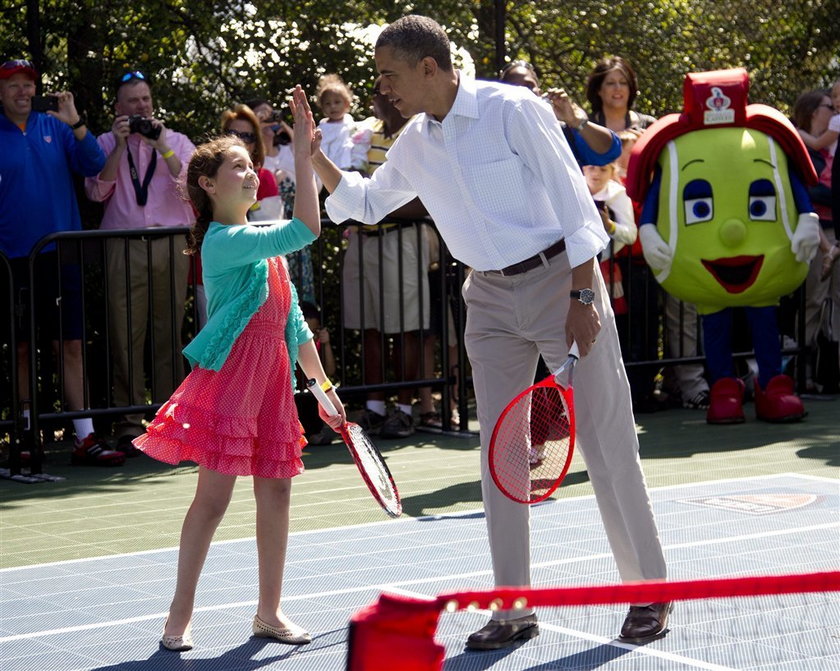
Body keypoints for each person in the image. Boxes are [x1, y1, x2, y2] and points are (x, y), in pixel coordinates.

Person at [311, 15, 669, 649]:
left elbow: (572, 202)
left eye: (389, 75)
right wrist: (313, 158)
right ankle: (513, 608)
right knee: (500, 456)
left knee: (608, 444)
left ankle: (646, 593)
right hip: (488, 300)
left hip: (563, 282)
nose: (381, 88)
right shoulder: (416, 141)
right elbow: (365, 204)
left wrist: (583, 294)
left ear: (429, 68)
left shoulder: (515, 109)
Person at [132, 87, 343, 651]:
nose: (251, 174)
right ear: (207, 184)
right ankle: (178, 616)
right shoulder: (225, 242)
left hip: (272, 381)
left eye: (253, 166)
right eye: (238, 167)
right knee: (213, 501)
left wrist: (321, 386)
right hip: (230, 380)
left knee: (276, 496)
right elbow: (307, 230)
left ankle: (269, 613)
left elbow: (293, 323)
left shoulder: (264, 249)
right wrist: (301, 159)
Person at [0, 59, 123, 466]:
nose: (22, 92)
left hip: (61, 254)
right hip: (12, 259)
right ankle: (23, 433)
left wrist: (75, 122)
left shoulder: (56, 126)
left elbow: (92, 165)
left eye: (27, 85)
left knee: (70, 345)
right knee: (20, 349)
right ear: (1, 92)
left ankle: (85, 437)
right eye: (13, 85)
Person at [84, 71, 196, 452]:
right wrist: (117, 147)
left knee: (169, 333)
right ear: (118, 108)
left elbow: (192, 189)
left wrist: (162, 145)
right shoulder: (102, 142)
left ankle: (170, 420)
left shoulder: (177, 142)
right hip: (124, 243)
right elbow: (97, 191)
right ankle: (129, 420)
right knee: (124, 333)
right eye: (132, 101)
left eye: (145, 99)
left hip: (170, 243)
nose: (141, 107)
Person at [341, 78, 432, 438]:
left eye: (383, 91)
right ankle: (376, 408)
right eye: (376, 91)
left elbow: (426, 198)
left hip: (401, 241)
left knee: (406, 329)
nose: (377, 98)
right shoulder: (364, 136)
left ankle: (406, 410)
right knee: (370, 328)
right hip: (363, 243)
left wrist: (373, 207)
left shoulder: (418, 134)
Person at [792, 90, 839, 394]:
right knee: (812, 301)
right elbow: (805, 195)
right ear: (812, 111)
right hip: (814, 235)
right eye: (828, 106)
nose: (833, 110)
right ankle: (802, 372)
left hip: (836, 233)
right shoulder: (800, 151)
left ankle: (830, 372)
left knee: (836, 302)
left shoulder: (833, 148)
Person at [500, 60, 621, 166]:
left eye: (529, 86)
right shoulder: (495, 133)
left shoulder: (563, 130)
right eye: (513, 87)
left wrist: (575, 120)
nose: (523, 92)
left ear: (540, 92)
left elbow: (610, 151)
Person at [294, 301, 337, 445]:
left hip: (310, 394)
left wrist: (326, 344)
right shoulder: (289, 345)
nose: (311, 338)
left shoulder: (317, 345)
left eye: (315, 332)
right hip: (294, 395)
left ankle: (315, 432)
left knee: (317, 395)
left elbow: (330, 370)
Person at [585, 56, 657, 133]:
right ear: (598, 90)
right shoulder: (585, 127)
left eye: (623, 83)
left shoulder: (650, 126)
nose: (618, 88)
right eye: (610, 83)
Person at [315, 74, 369, 173]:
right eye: (327, 103)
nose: (332, 106)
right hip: (324, 172)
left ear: (346, 104)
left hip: (347, 170)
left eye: (337, 102)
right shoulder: (321, 128)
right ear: (322, 107)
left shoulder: (352, 125)